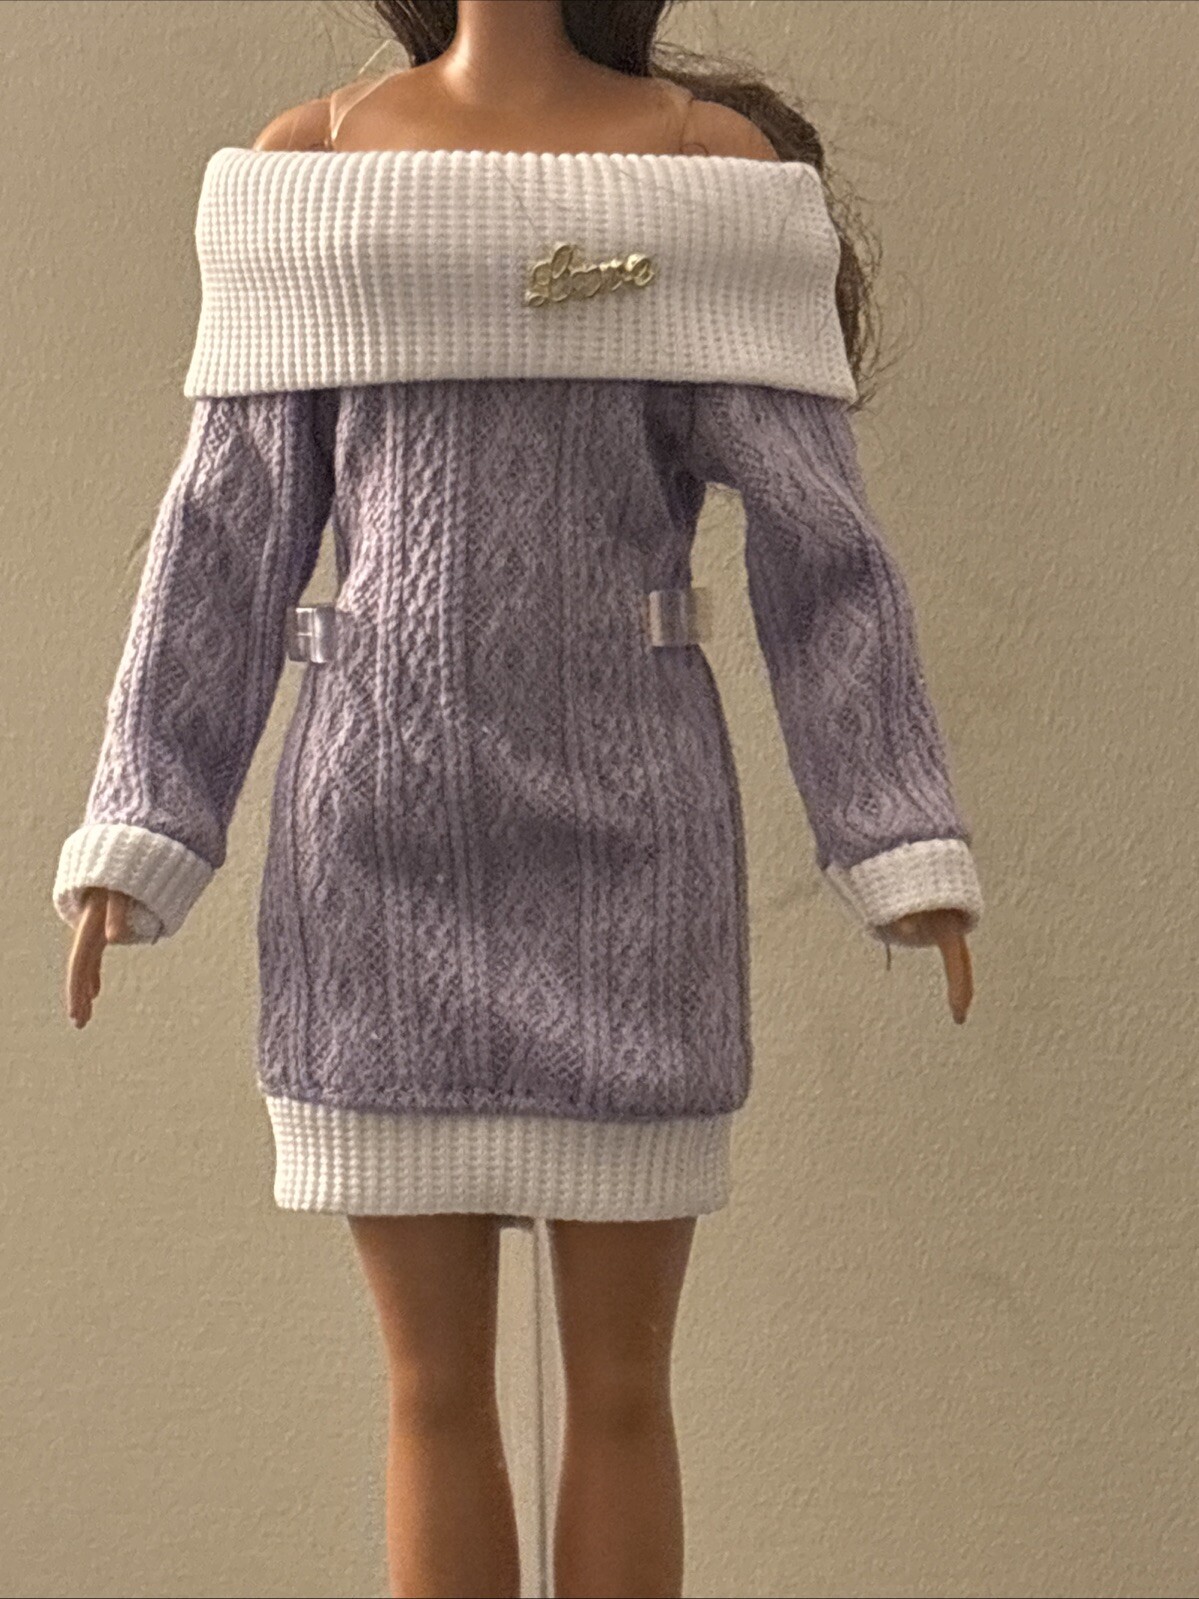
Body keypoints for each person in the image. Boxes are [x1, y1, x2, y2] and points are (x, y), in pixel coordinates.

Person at [52, 3, 984, 1594]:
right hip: (377, 840)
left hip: (631, 840)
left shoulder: (702, 173)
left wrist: (898, 834)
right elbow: (225, 535)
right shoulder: (314, 165)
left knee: (621, 1393)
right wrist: (146, 817)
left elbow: (823, 554)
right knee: (430, 1392)